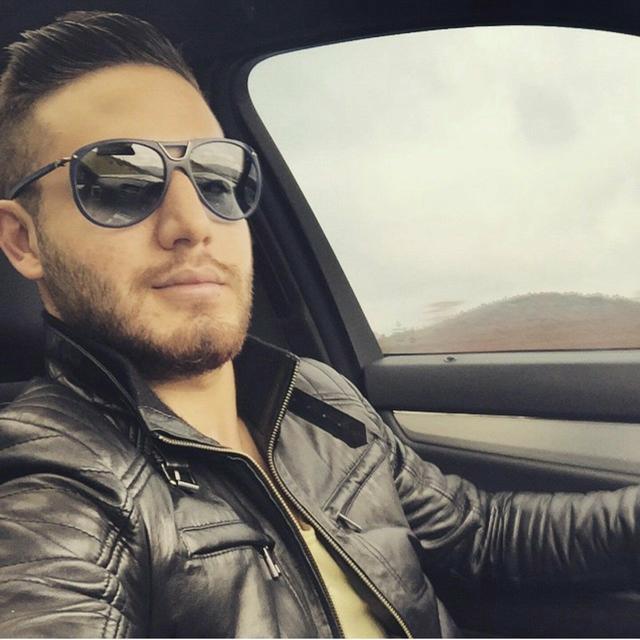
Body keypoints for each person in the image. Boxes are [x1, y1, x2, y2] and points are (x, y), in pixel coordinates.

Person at [0, 11, 638, 638]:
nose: (193, 223)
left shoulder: (314, 398)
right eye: (118, 181)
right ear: (23, 240)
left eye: (216, 176)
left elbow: (479, 536)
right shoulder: (57, 483)